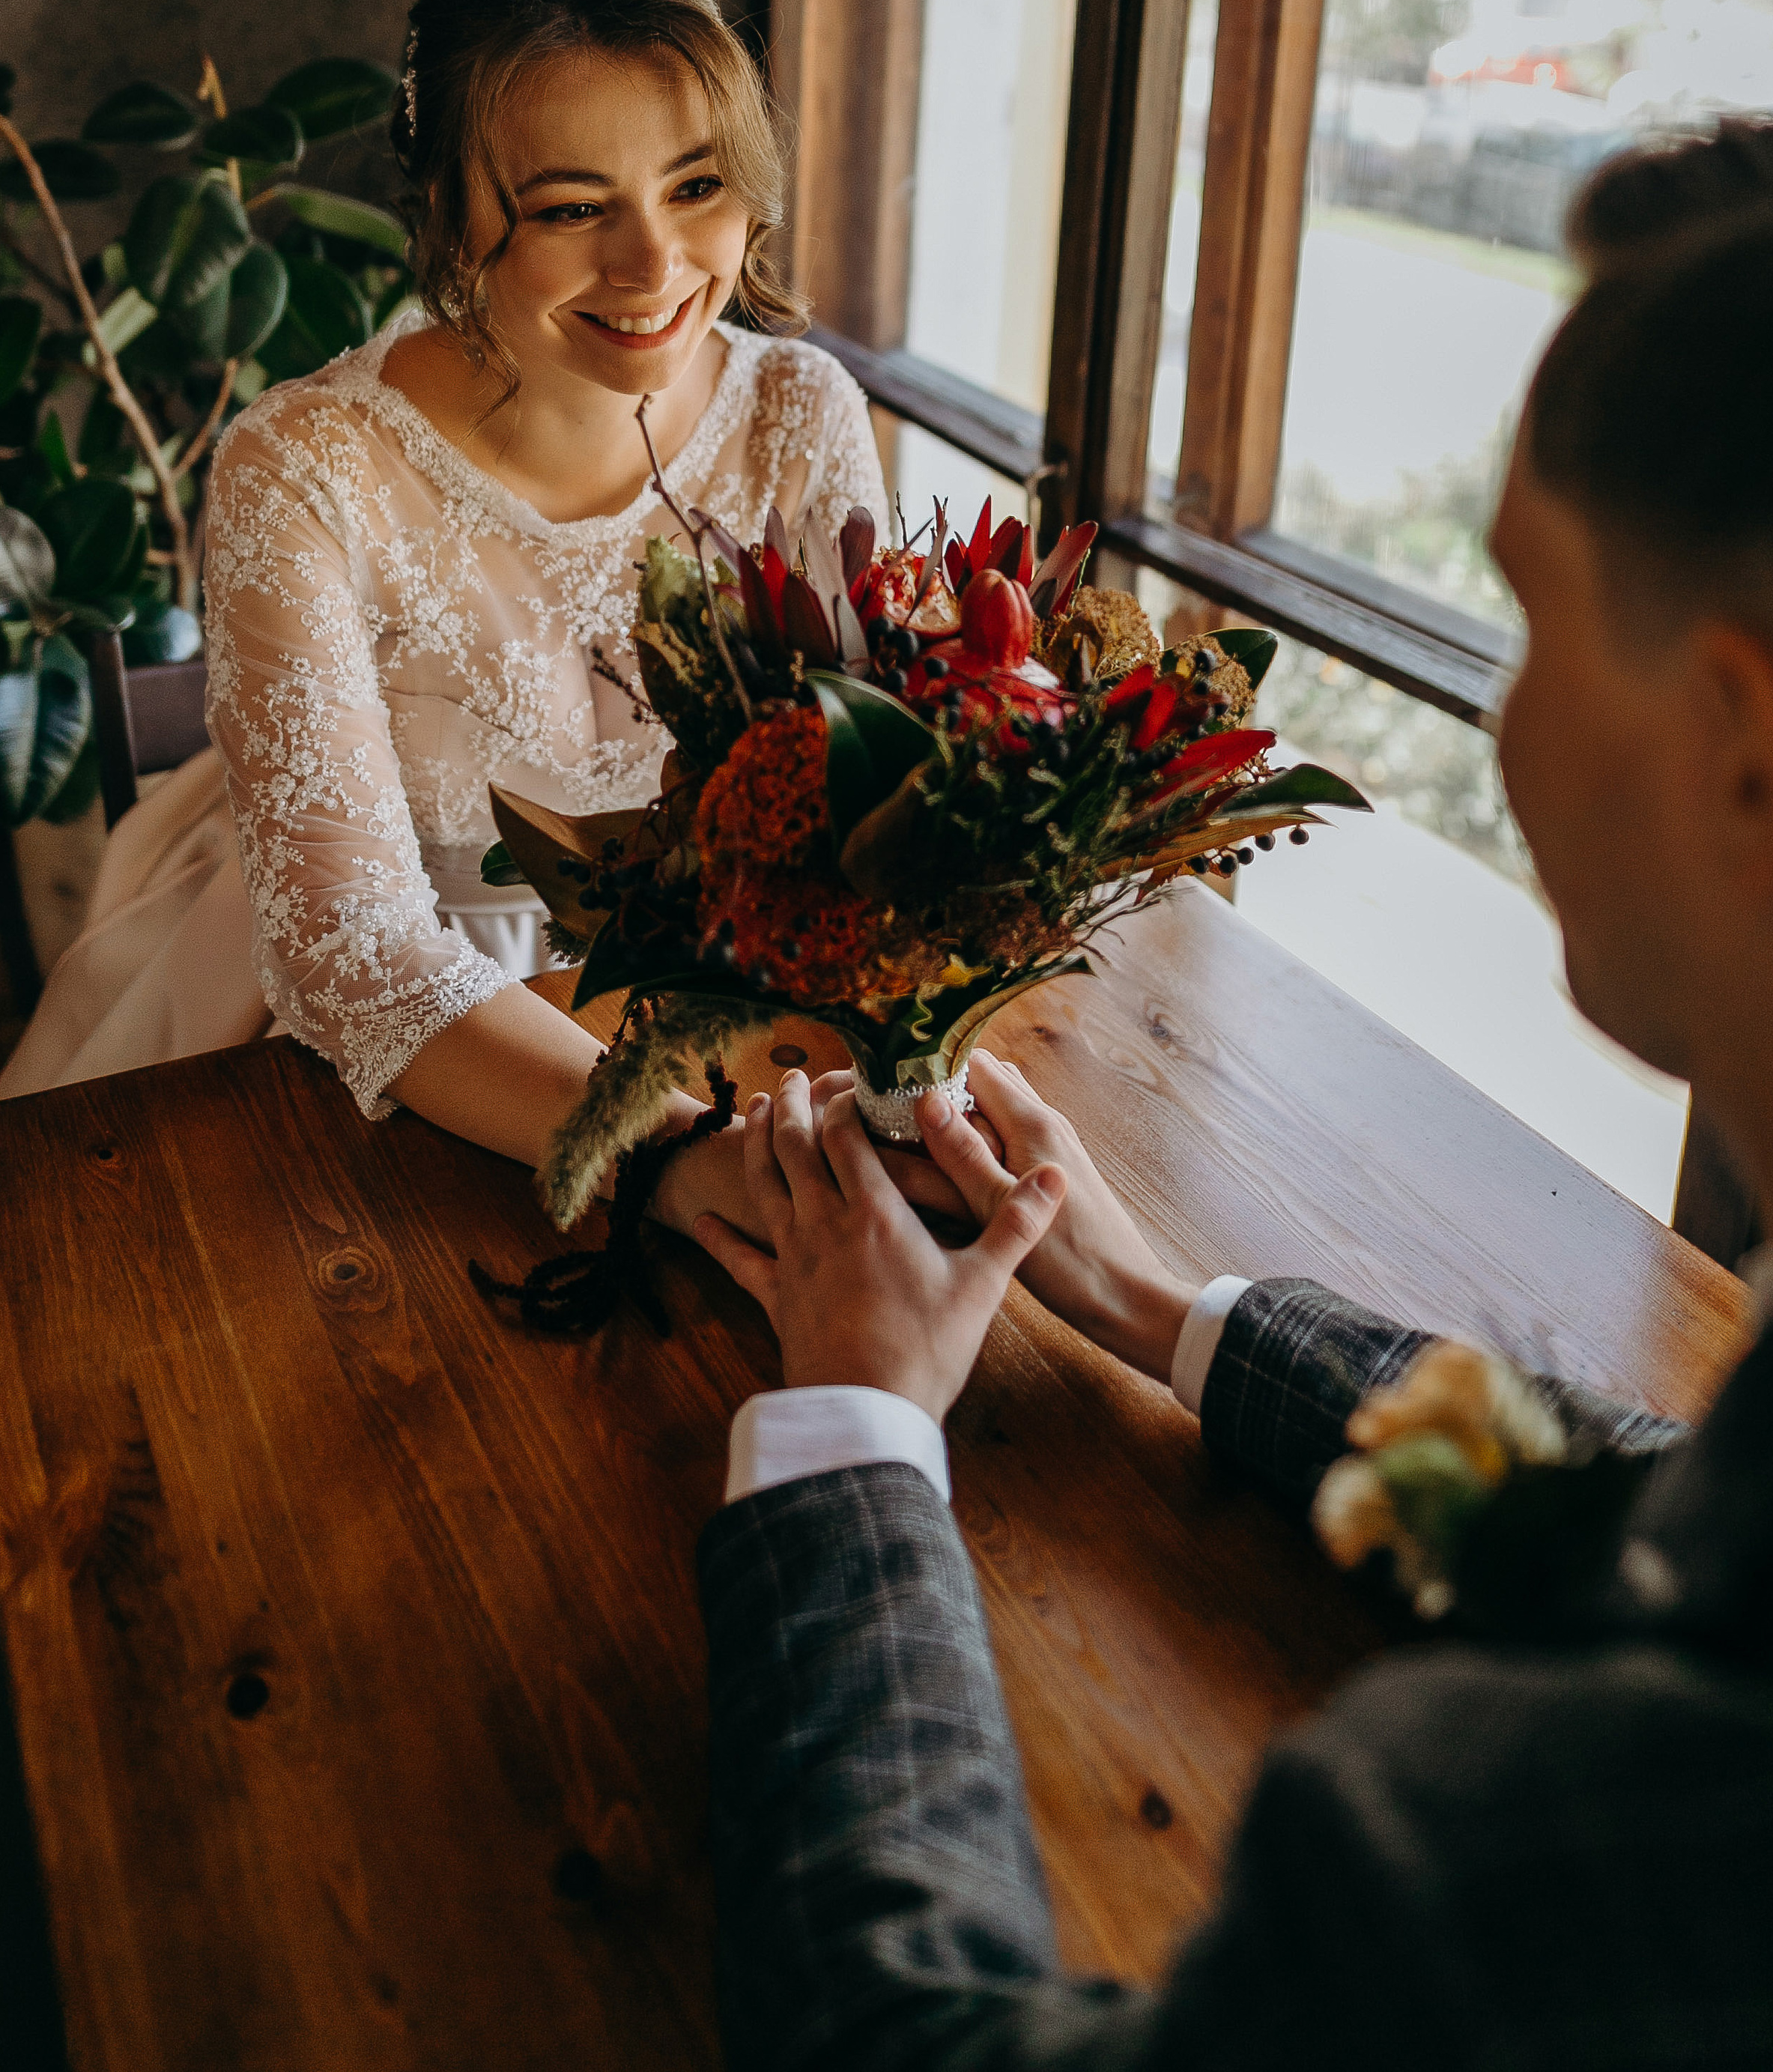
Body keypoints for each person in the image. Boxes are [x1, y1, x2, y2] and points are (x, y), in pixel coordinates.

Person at [688, 175, 1773, 2068]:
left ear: (1740, 732)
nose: (1499, 733)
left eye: (1523, 619)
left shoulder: (1534, 1848)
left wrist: (849, 1432)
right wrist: (1161, 1303)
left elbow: (903, 2047)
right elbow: (1655, 1483)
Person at [0, 0, 885, 1829]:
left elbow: (853, 798)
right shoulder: (303, 470)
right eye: (569, 205)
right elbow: (354, 958)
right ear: (448, 214)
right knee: (210, 1572)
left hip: (685, 1006)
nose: (658, 265)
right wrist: (663, 1151)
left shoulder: (804, 417)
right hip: (318, 1025)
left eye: (694, 185)